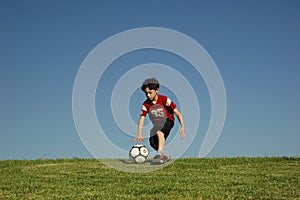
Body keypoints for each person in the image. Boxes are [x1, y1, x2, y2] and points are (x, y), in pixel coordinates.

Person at [133, 78, 186, 165]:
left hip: (168, 120)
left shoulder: (165, 99)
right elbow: (142, 118)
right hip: (157, 124)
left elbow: (178, 113)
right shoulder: (146, 104)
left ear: (157, 90)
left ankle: (159, 155)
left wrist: (182, 127)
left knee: (159, 131)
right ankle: (164, 156)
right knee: (153, 143)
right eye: (146, 93)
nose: (148, 95)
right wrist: (139, 134)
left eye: (150, 92)